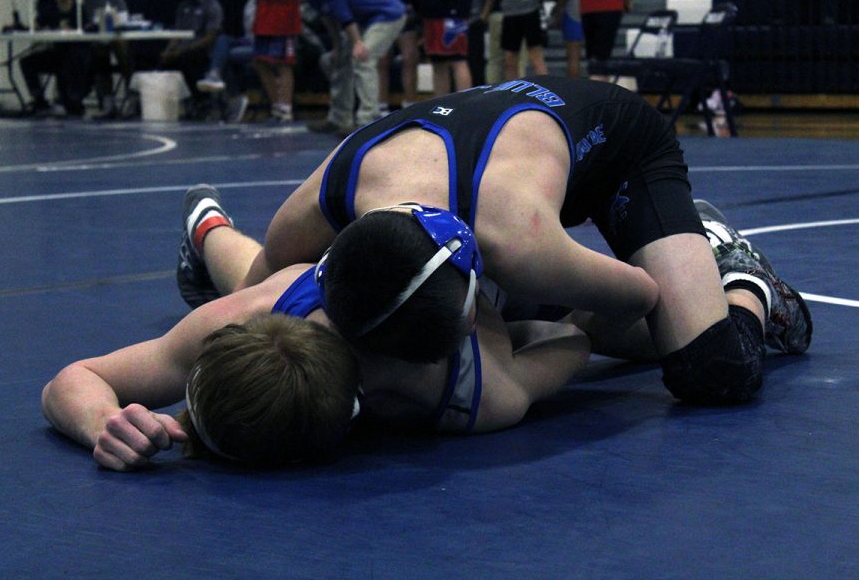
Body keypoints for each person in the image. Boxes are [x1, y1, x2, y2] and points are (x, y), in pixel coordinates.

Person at [236, 75, 813, 406]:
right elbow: (261, 282)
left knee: (709, 369)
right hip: (506, 150)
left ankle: (737, 274)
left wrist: (559, 315)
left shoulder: (516, 242)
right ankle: (203, 233)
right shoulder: (328, 192)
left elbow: (640, 296)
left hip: (616, 146)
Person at [41, 185, 593, 471]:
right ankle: (209, 229)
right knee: (620, 325)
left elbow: (70, 380)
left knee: (260, 280)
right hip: (468, 288)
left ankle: (207, 231)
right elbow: (576, 340)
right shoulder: (475, 394)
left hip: (401, 248)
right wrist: (532, 319)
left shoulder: (258, 311)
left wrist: (103, 425)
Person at [300, 0, 406, 136]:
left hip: (386, 14)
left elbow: (342, 12)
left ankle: (368, 120)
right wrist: (337, 47)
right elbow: (328, 16)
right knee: (340, 61)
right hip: (363, 19)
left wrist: (357, 42)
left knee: (363, 58)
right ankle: (339, 119)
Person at [19, 0, 92, 117]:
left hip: (76, 54)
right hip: (57, 54)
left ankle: (74, 98)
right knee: (27, 62)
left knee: (72, 60)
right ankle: (39, 100)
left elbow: (89, 29)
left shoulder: (79, 10)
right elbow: (37, 25)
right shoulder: (50, 10)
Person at [196, 0, 258, 123]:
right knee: (222, 40)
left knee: (222, 56)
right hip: (249, 41)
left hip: (263, 44)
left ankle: (234, 98)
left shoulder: (268, 3)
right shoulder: (250, 3)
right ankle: (215, 75)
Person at [251, 0, 301, 123]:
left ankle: (285, 108)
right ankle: (276, 107)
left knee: (284, 63)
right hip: (264, 19)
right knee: (260, 61)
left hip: (283, 19)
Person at [565, 0, 633, 82]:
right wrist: (628, 0)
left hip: (587, 6)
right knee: (602, 56)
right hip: (610, 3)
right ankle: (600, 88)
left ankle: (597, 81)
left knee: (593, 55)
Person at [416, 0, 473, 96]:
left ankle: (465, 103)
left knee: (458, 59)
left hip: (452, 10)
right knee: (438, 62)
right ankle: (441, 105)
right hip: (433, 10)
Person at [371, 0, 420, 113]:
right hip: (380, 9)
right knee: (382, 59)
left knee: (409, 57)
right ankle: (381, 107)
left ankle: (411, 105)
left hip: (406, 8)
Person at [499, 0, 549, 80]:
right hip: (510, 10)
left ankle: (546, 88)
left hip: (532, 8)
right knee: (509, 58)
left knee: (536, 56)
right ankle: (512, 90)